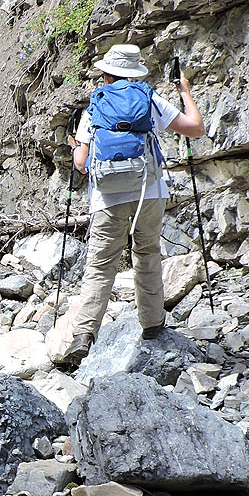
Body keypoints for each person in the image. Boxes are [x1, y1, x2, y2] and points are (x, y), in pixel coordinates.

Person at [50, 43, 205, 366]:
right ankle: (152, 324)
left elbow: (81, 163)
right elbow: (196, 129)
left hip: (107, 197)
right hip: (148, 191)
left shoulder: (95, 106)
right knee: (147, 253)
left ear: (106, 74)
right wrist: (185, 92)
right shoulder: (150, 99)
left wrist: (76, 144)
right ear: (134, 72)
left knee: (100, 265)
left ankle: (83, 336)